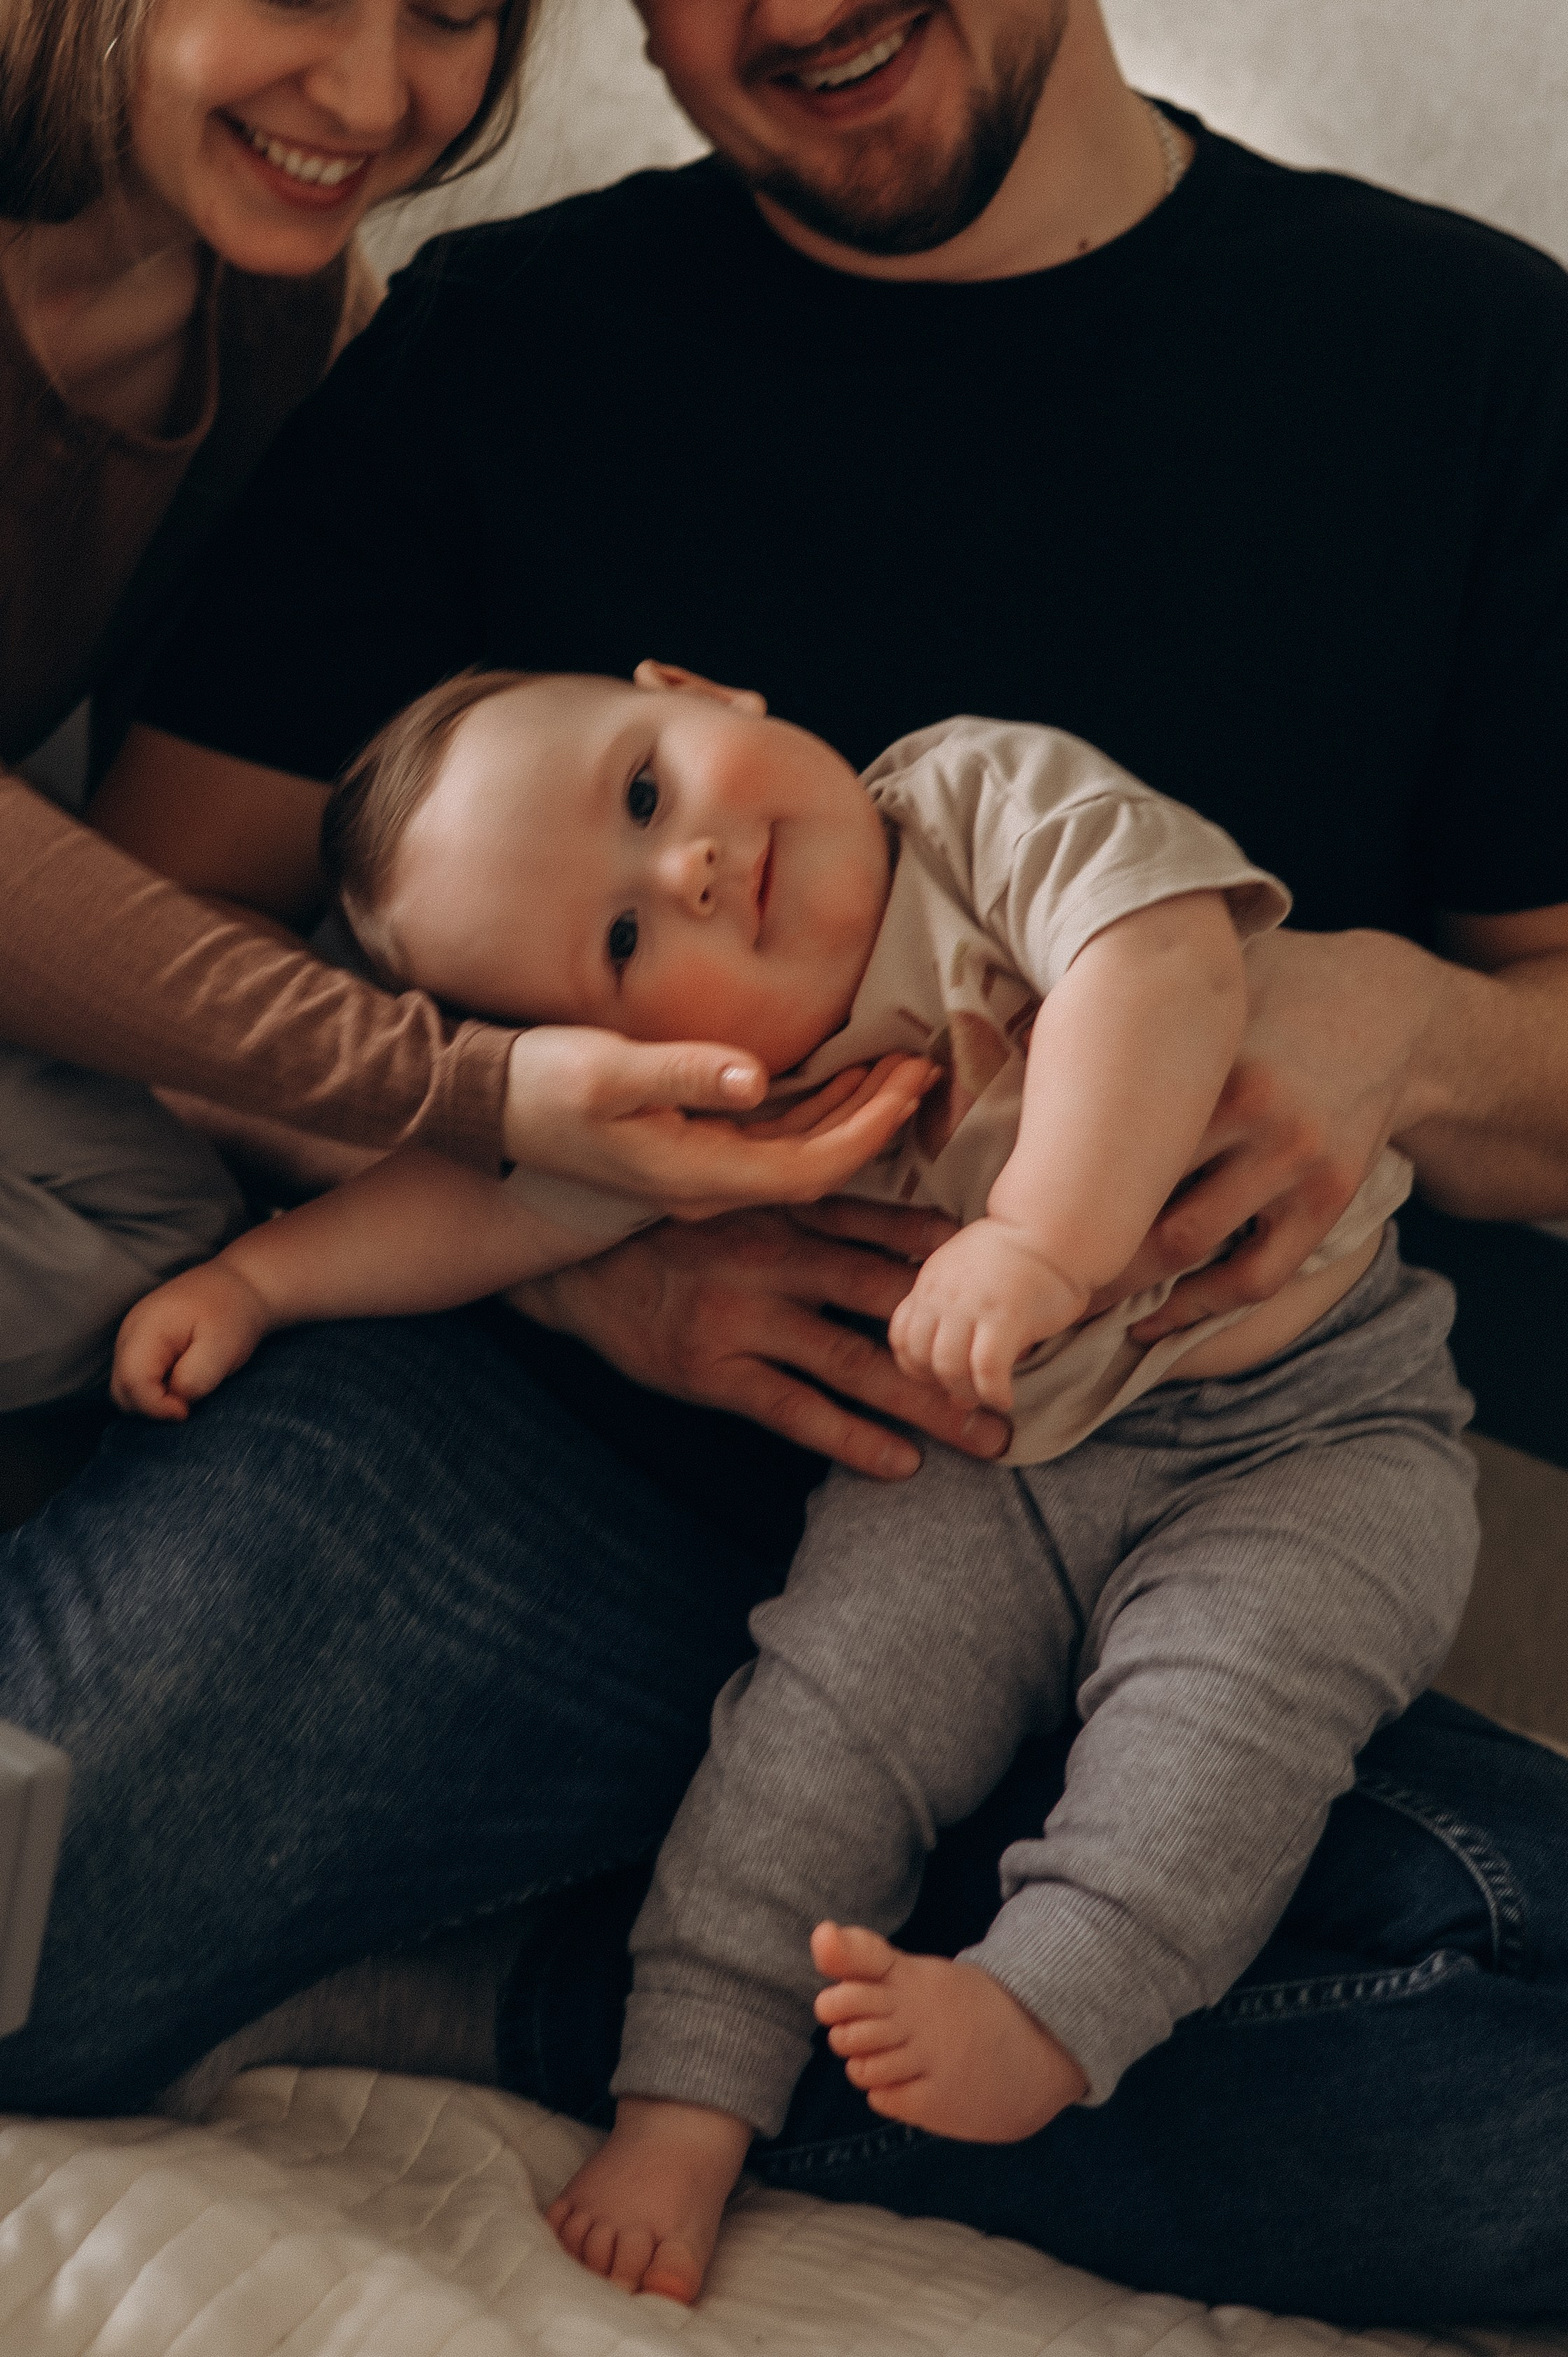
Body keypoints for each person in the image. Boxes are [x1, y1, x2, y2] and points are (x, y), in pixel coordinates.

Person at [4, 0, 1567, 2320]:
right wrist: (584, 1272)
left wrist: (1413, 1036)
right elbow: (164, 939)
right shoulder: (508, 336)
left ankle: (609, 1998)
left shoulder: (1458, 353)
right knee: (26, 1894)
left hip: (1152, 1498)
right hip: (528, 1472)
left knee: (1524, 2122)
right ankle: (640, 1960)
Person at [109, 663, 1478, 2304]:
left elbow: (1163, 963)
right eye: (620, 948)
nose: (681, 867)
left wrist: (1042, 1240)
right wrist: (266, 1282)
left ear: (699, 689)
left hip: (1313, 1419)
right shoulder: (712, 1102)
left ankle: (1056, 1998)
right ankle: (683, 2099)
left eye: (643, 788)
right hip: (976, 1459)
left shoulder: (981, 801)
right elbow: (487, 1208)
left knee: (1228, 1708)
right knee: (819, 1720)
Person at [0, 0, 895, 1415]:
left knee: (157, 1226)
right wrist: (476, 1097)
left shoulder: (286, 315)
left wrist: (542, 1236)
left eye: (446, 12)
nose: (366, 97)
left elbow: (182, 890)